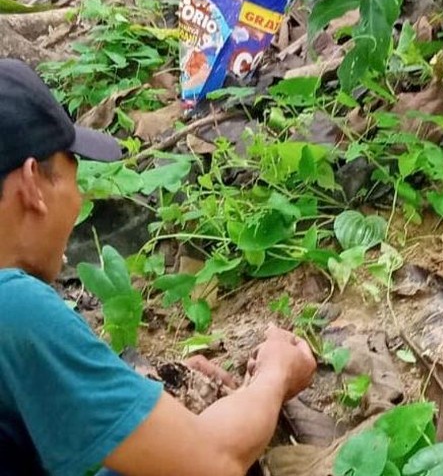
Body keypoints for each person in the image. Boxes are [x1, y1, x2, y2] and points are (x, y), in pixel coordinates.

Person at [0, 58, 316, 476]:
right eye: (73, 177)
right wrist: (275, 375)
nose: (78, 202)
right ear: (33, 186)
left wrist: (150, 398)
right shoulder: (16, 308)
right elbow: (212, 462)